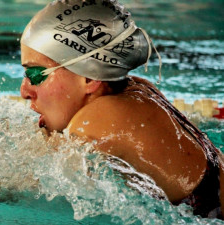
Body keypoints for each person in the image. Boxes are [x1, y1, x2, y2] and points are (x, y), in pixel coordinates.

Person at [19, 0, 224, 218]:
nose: (24, 91)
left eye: (35, 74)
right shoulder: (139, 89)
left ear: (88, 77)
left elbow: (18, 185)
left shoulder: (94, 122)